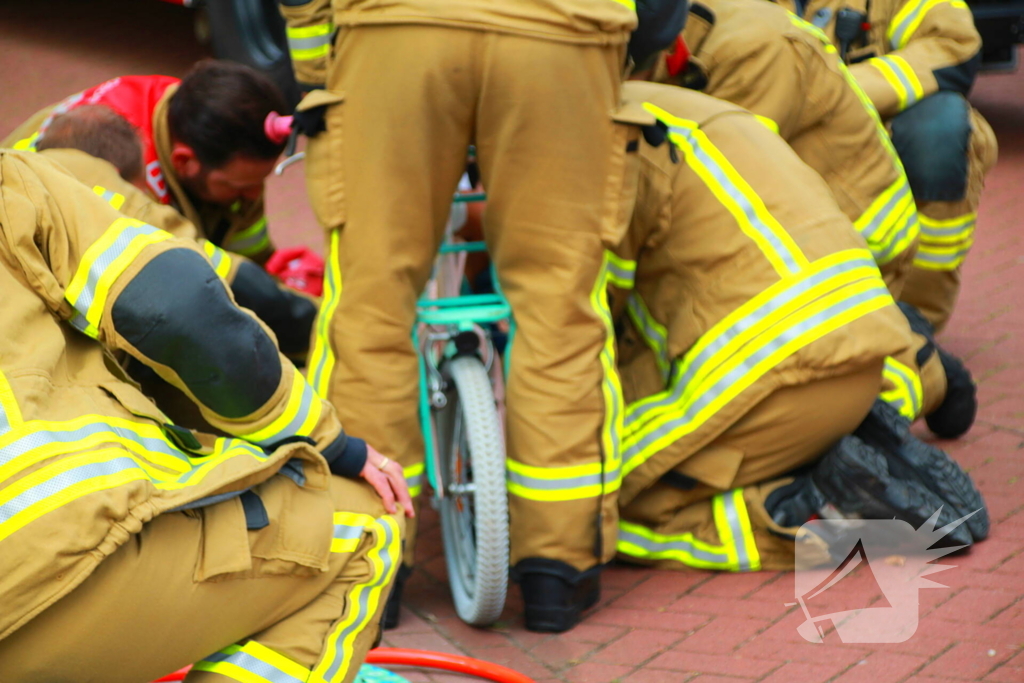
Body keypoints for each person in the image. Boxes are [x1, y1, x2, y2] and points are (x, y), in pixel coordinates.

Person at [278, 0, 688, 633]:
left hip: (395, 31)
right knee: (560, 310)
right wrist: (621, 55)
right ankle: (558, 569)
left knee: (373, 306)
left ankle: (371, 559)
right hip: (565, 36)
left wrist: (319, 70)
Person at [0, 148, 412, 683]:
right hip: (35, 559)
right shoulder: (19, 182)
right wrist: (334, 445)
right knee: (366, 528)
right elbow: (176, 308)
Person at [609, 81, 987, 572]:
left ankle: (811, 510)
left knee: (602, 502)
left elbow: (589, 321)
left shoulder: (607, 144)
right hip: (870, 341)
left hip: (775, 371)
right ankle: (920, 380)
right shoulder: (694, 106)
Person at [645, 0, 977, 438]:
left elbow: (955, 44)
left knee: (800, 396)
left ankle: (912, 346)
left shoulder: (754, 49)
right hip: (797, 175)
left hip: (853, 225)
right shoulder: (714, 25)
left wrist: (849, 82)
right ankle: (892, 331)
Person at [771, 0, 998, 333]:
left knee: (939, 131)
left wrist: (844, 89)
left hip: (875, 134)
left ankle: (913, 324)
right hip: (770, 133)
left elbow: (951, 42)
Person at [33, 104, 319, 367]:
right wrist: (326, 322)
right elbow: (221, 278)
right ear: (117, 176)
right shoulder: (122, 205)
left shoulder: (20, 179)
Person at [2, 59, 288, 265]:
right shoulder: (121, 171)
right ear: (184, 161)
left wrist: (266, 275)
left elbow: (249, 247)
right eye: (239, 186)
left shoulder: (200, 113)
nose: (253, 195)